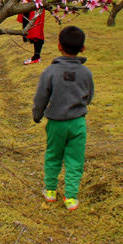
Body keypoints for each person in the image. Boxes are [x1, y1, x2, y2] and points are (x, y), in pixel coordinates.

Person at [31, 26, 94, 211]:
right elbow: (89, 97)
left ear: (59, 46)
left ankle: (50, 190)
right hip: (78, 123)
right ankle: (71, 196)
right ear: (82, 48)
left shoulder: (49, 72)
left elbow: (40, 97)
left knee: (53, 155)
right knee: (75, 159)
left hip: (56, 123)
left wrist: (37, 115)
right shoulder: (86, 73)